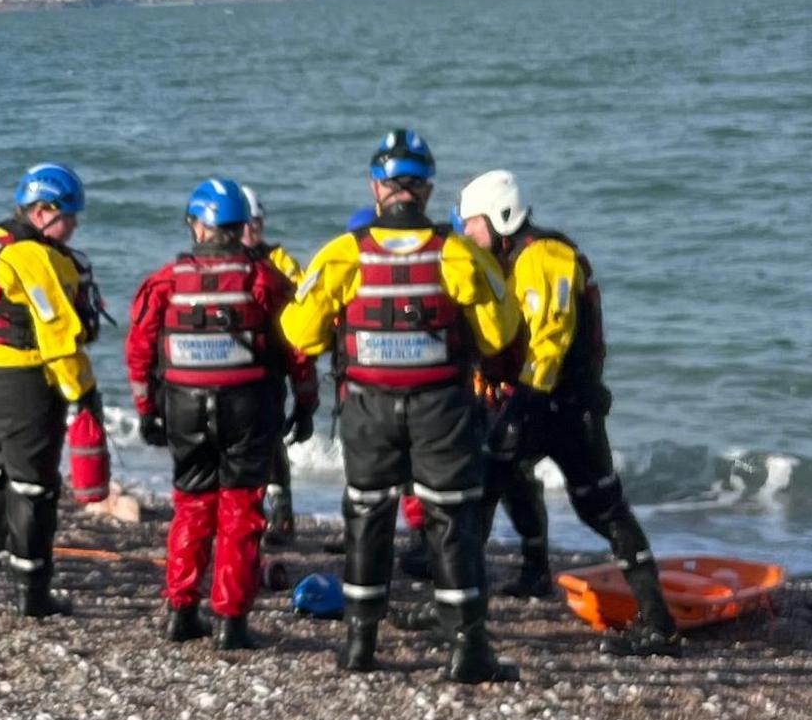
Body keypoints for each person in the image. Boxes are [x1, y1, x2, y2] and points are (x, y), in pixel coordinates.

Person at [281, 130, 522, 682]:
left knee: (367, 516)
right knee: (452, 520)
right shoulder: (457, 252)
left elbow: (300, 332)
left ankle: (359, 644)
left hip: (367, 409)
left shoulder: (343, 253)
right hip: (442, 410)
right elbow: (500, 333)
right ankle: (468, 650)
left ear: (377, 188)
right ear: (428, 191)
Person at [465, 168, 677, 656]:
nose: (465, 234)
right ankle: (533, 574)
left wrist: (519, 405)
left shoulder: (545, 257)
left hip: (557, 407)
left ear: (500, 218)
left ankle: (659, 624)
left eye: (471, 223)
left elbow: (550, 338)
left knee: (595, 507)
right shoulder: (518, 259)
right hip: (550, 405)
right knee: (502, 486)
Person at [126, 178, 309, 649]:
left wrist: (147, 409)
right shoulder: (265, 279)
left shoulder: (166, 280)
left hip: (184, 408)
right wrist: (307, 404)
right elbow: (298, 347)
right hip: (248, 409)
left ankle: (181, 609)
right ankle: (231, 620)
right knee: (241, 511)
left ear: (198, 226)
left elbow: (140, 348)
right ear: (238, 227)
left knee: (192, 505)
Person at [0, 163, 101, 616]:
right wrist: (83, 392)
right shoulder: (34, 258)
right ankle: (32, 595)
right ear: (42, 211)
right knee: (34, 489)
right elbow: (58, 332)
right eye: (68, 216)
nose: (74, 225)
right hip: (21, 384)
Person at [236, 184, 308, 533]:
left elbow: (301, 293)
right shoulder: (226, 264)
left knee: (273, 437)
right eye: (248, 222)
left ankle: (282, 508)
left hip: (271, 363)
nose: (253, 229)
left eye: (258, 222)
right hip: (237, 368)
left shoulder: (278, 260)